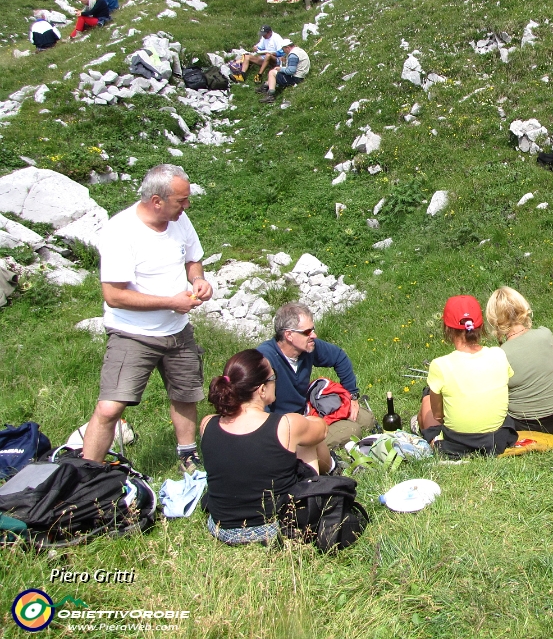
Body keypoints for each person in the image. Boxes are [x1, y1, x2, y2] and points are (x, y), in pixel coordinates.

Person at [81, 165, 211, 472]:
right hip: (132, 333)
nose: (187, 206)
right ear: (156, 201)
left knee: (185, 393)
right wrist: (170, 301)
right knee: (111, 406)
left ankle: (187, 456)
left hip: (177, 330)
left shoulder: (178, 220)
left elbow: (194, 258)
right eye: (181, 200)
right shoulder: (120, 231)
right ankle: (87, 473)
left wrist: (198, 280)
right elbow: (113, 295)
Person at [200, 350, 329, 546]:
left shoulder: (207, 424)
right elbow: (322, 430)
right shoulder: (285, 425)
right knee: (309, 438)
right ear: (261, 390)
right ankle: (322, 481)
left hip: (221, 527)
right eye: (273, 377)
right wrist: (307, 420)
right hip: (273, 527)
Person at [257, 302, 374, 460]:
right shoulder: (265, 359)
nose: (314, 335)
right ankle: (305, 451)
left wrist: (352, 395)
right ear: (289, 335)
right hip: (285, 429)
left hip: (307, 412)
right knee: (352, 430)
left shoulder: (307, 348)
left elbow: (339, 357)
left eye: (313, 329)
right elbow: (259, 410)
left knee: (367, 420)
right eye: (307, 332)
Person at [415, 296, 517, 456]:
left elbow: (437, 415)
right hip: (496, 441)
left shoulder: (440, 365)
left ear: (447, 329)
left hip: (456, 444)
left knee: (428, 399)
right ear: (481, 326)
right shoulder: (499, 354)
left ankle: (431, 437)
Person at [485, 287, 553, 434]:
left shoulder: (499, 354)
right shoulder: (545, 334)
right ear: (523, 308)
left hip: (521, 425)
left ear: (494, 320)